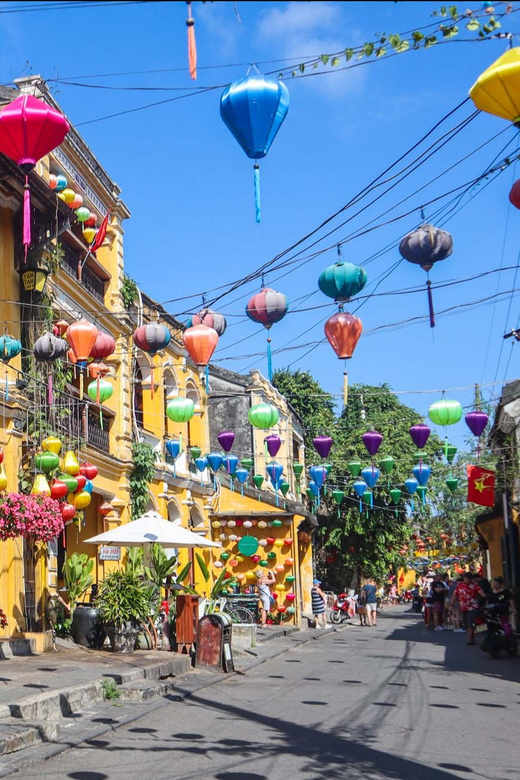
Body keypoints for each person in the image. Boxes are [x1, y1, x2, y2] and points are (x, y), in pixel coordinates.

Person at [452, 572, 485, 645]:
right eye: (465, 578)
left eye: (466, 578)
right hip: (463, 608)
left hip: (472, 607)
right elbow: (455, 595)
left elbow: (482, 594)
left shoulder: (475, 586)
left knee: (470, 623)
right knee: (466, 624)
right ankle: (472, 637)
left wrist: (481, 599)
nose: (465, 579)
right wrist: (452, 603)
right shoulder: (460, 586)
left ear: (470, 579)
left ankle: (469, 639)